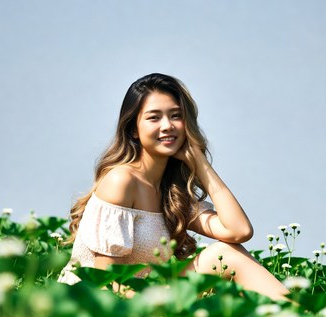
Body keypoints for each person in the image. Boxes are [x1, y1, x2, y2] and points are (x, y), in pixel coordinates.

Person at [58, 73, 288, 301]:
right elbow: (105, 283)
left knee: (226, 254)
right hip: (93, 306)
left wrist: (200, 164)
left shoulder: (173, 193)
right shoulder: (121, 181)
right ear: (133, 129)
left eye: (175, 116)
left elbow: (238, 231)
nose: (167, 126)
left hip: (148, 297)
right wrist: (158, 305)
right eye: (154, 118)